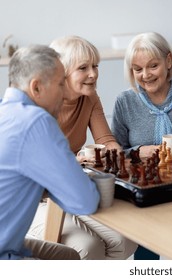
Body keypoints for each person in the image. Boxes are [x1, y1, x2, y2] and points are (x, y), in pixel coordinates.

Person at [28, 36, 137, 260]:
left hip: (69, 190)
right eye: (83, 68)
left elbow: (107, 140)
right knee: (87, 247)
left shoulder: (89, 97)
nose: (93, 74)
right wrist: (70, 164)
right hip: (34, 198)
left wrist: (111, 153)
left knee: (123, 240)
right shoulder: (39, 104)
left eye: (95, 66)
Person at [0, 45, 100, 259]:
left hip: (8, 243)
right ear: (36, 87)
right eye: (61, 83)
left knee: (70, 257)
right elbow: (84, 201)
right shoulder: (35, 121)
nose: (65, 92)